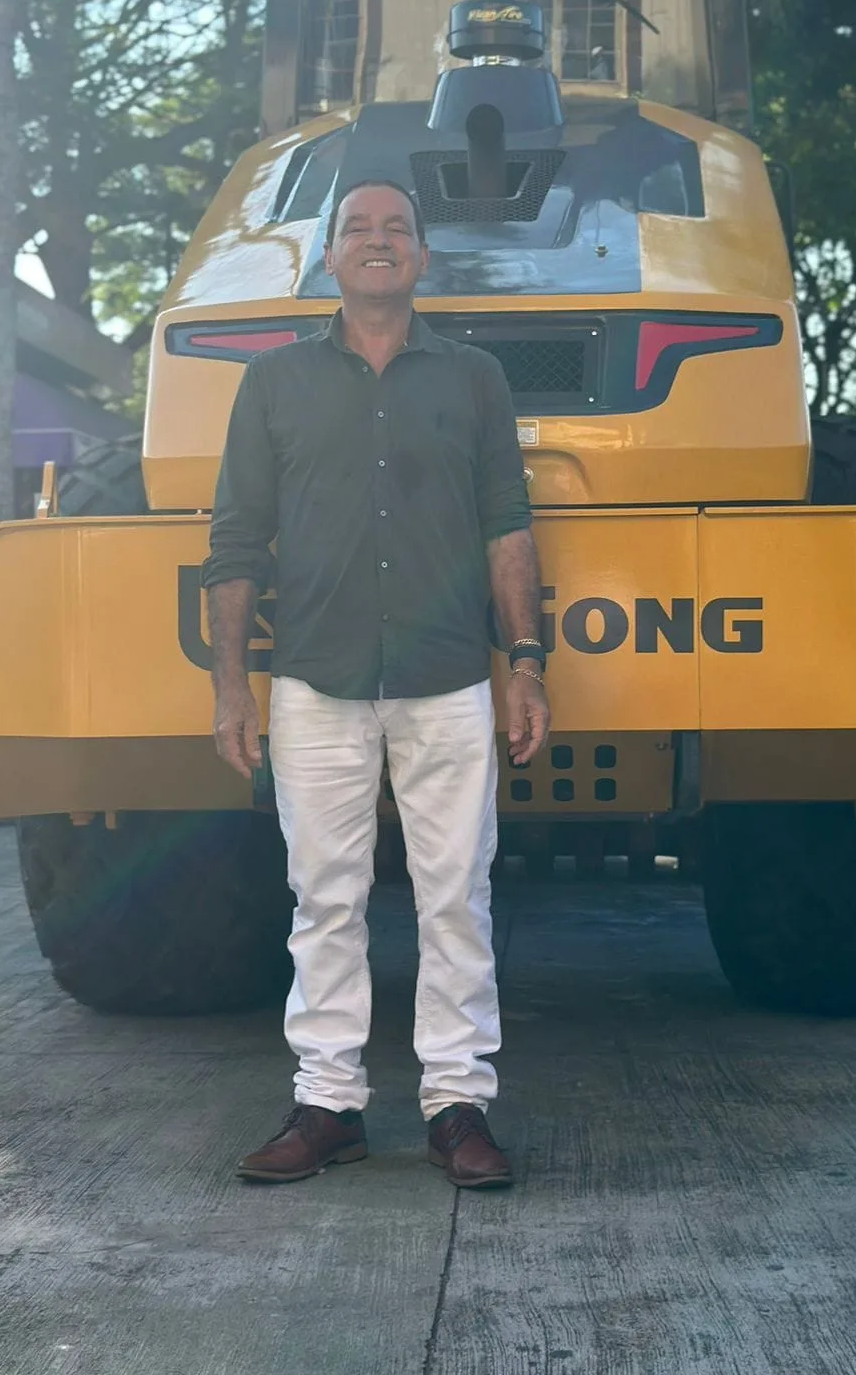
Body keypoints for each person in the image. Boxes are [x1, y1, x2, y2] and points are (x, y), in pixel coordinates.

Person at [201, 178, 551, 1190]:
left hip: (448, 676)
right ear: (331, 256)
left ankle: (458, 1105)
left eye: (397, 227)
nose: (378, 240)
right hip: (317, 679)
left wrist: (525, 663)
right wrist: (232, 688)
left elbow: (507, 526)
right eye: (358, 227)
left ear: (424, 256)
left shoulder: (475, 378)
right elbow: (236, 540)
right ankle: (328, 1105)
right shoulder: (273, 382)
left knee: (457, 897)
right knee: (324, 897)